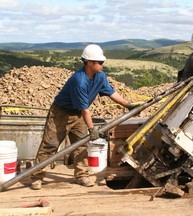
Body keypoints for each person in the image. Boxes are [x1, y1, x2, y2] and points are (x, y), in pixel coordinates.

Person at [30, 44, 138, 190]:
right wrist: (91, 128)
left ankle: (81, 175)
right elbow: (85, 110)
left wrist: (128, 105)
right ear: (88, 63)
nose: (102, 65)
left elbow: (112, 93)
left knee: (82, 145)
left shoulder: (100, 76)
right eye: (99, 62)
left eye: (102, 62)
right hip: (61, 114)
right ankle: (36, 177)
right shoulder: (79, 81)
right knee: (50, 145)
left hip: (78, 114)